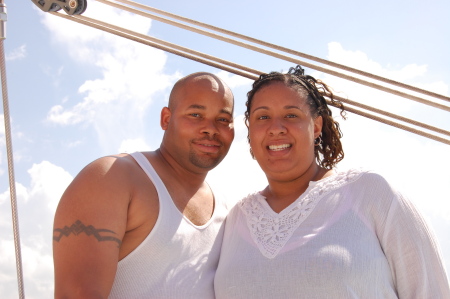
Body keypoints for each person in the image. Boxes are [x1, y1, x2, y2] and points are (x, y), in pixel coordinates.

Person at [214, 65, 450, 298]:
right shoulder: (235, 219)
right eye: (263, 117)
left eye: (291, 115)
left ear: (316, 127)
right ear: (250, 130)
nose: (276, 128)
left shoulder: (371, 194)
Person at [52, 72, 235, 298]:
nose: (211, 128)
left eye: (223, 119)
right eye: (196, 114)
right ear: (166, 119)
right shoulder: (112, 177)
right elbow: (77, 294)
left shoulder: (230, 210)